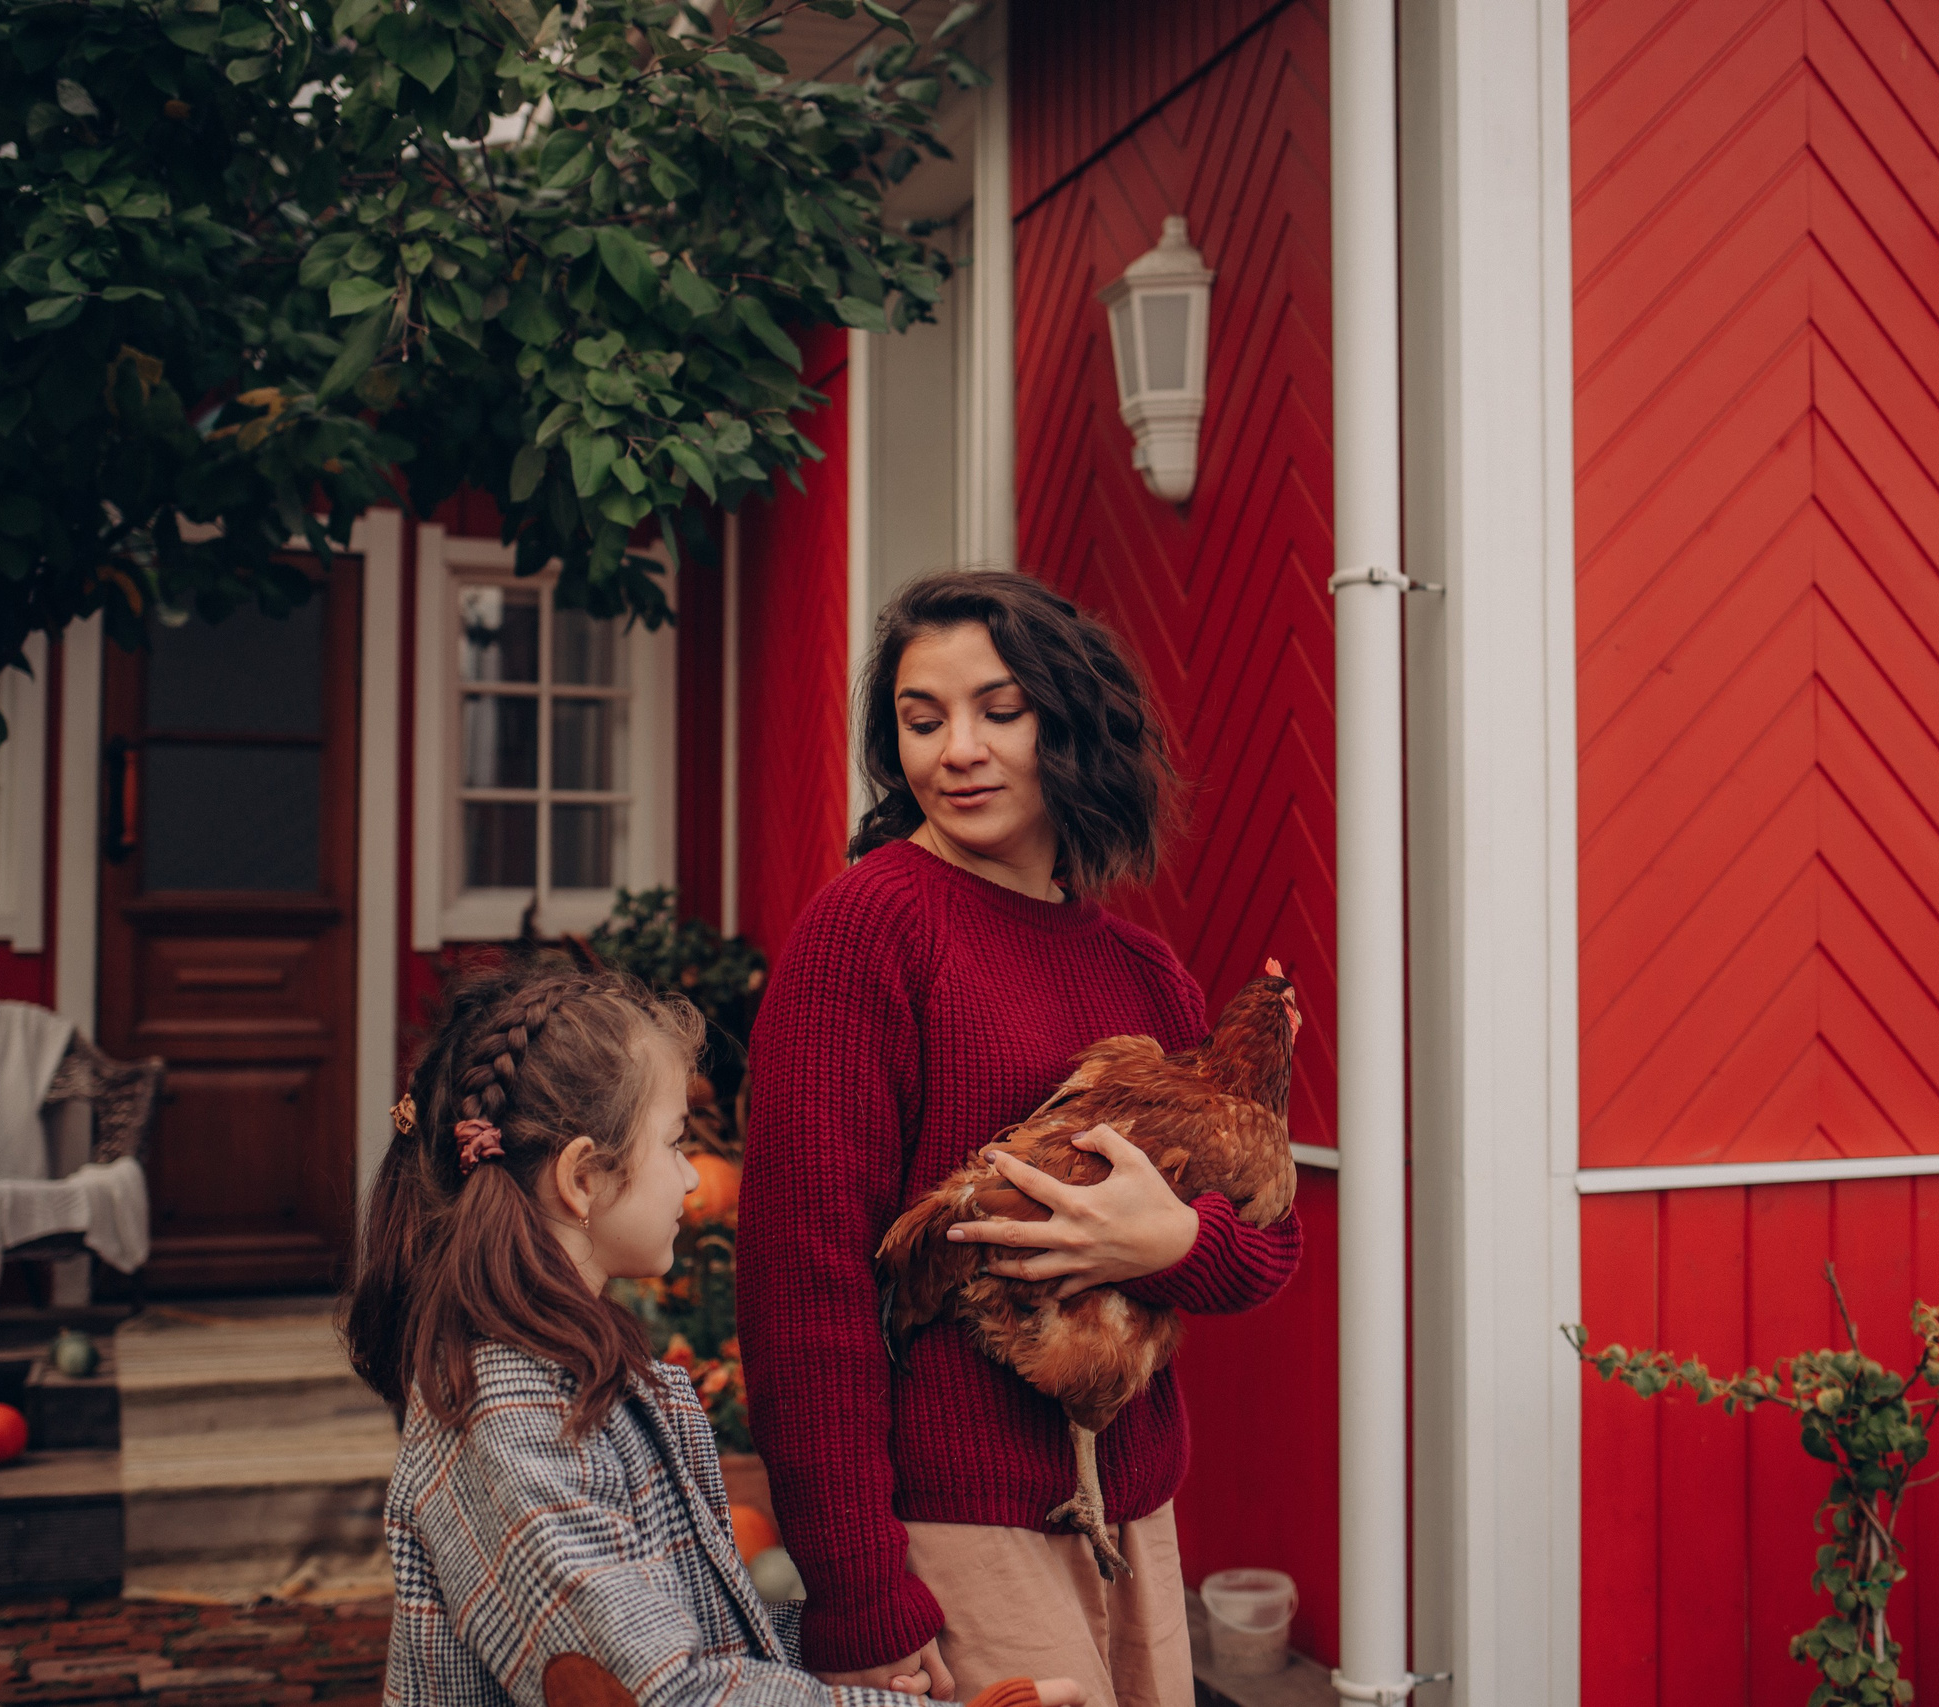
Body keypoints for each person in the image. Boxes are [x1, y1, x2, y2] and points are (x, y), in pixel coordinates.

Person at [738, 571, 1304, 1707]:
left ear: (1070, 724)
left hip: (1132, 1512)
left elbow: (1267, 1242)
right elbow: (802, 1281)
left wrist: (1170, 1245)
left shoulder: (1144, 970)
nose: (958, 751)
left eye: (1000, 711)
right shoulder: (869, 930)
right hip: (955, 1526)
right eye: (922, 720)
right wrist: (858, 1595)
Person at [344, 957, 1084, 1707]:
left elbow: (701, 1637)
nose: (695, 1176)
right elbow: (664, 1691)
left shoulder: (572, 1378)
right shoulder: (509, 1420)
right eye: (674, 1142)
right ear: (583, 1178)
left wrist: (843, 1648)